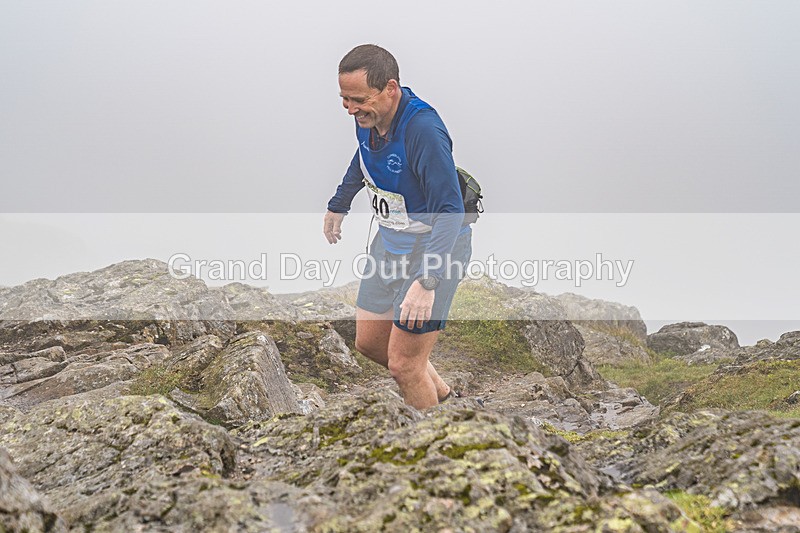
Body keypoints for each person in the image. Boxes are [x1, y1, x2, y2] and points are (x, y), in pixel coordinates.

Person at [323, 44, 473, 410]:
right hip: (390, 243)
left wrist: (427, 282)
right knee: (370, 343)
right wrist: (339, 204)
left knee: (404, 365)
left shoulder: (424, 130)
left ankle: (435, 450)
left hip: (435, 248)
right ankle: (441, 395)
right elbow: (363, 157)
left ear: (390, 88)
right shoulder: (368, 119)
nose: (350, 109)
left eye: (357, 99)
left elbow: (450, 211)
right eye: (344, 99)